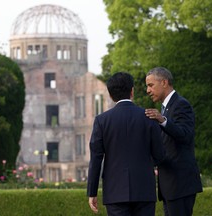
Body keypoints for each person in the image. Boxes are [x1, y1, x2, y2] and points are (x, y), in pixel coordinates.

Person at [87, 72, 165, 216]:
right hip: (144, 190)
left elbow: (96, 159)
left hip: (115, 191)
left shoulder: (102, 121)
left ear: (110, 95)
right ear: (132, 91)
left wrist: (92, 192)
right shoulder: (149, 117)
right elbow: (159, 155)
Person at [145, 67, 203, 216]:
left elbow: (185, 134)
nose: (147, 90)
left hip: (180, 185)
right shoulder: (165, 108)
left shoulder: (181, 104)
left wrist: (162, 120)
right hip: (171, 186)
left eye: (151, 85)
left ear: (164, 82)